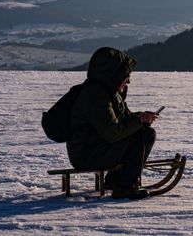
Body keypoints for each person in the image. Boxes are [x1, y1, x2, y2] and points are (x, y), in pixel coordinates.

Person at [66, 47, 158, 199]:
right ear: (115, 75)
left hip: (94, 148)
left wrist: (140, 117)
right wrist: (139, 121)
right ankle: (124, 186)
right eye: (126, 75)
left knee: (140, 132)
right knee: (146, 135)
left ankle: (114, 180)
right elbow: (112, 132)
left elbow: (118, 122)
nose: (129, 80)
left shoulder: (108, 92)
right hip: (88, 154)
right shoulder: (96, 95)